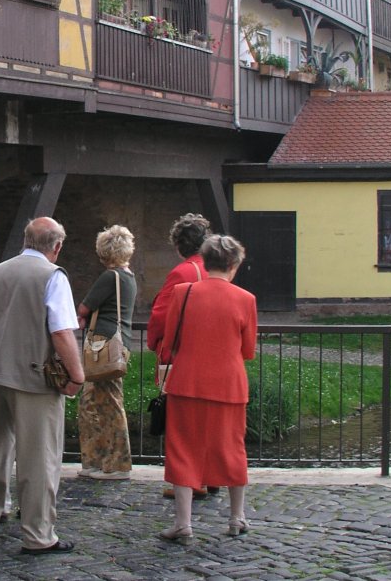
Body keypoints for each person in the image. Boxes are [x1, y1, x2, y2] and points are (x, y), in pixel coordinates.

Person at [0, 217, 84, 555]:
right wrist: (77, 375)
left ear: (27, 240)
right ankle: (38, 534)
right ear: (56, 247)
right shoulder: (53, 277)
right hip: (34, 378)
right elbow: (61, 332)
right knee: (39, 459)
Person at [158, 234, 258, 542]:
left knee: (182, 449)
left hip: (187, 381)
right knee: (232, 448)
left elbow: (169, 342)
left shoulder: (183, 293)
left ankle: (183, 522)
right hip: (229, 384)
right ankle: (236, 517)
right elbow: (248, 350)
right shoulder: (246, 299)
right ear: (233, 264)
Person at [146, 213, 211, 499]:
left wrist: (154, 343)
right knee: (207, 418)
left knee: (182, 420)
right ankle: (209, 475)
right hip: (213, 356)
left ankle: (189, 480)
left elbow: (161, 314)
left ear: (179, 245)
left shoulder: (182, 273)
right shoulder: (215, 269)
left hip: (184, 356)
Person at [76, 224, 137, 481]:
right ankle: (97, 461)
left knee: (106, 404)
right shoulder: (128, 277)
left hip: (103, 344)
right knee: (93, 403)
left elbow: (84, 308)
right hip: (117, 345)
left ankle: (116, 464)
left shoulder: (109, 277)